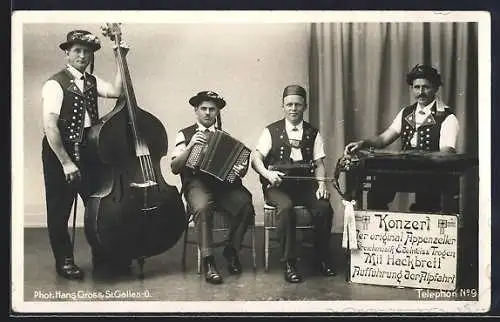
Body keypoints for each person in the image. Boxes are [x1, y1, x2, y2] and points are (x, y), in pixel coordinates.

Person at [42, 28, 128, 280]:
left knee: (97, 204)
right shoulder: (55, 84)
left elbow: (116, 91)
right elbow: (50, 127)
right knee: (60, 210)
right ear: (67, 53)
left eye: (87, 52)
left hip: (90, 150)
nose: (82, 55)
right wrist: (66, 163)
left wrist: (120, 57)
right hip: (61, 152)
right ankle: (64, 261)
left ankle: (103, 256)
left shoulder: (91, 81)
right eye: (77, 50)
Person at [344, 64, 460, 212]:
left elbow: (447, 154)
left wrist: (421, 158)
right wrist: (363, 143)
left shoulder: (447, 117)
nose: (421, 92)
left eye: (426, 87)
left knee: (424, 208)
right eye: (416, 87)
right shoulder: (406, 113)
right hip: (404, 170)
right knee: (376, 194)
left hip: (431, 173)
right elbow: (383, 140)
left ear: (436, 88)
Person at [251, 85, 336, 283]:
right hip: (278, 186)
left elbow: (319, 164)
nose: (293, 108)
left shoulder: (313, 133)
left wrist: (322, 185)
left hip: (305, 185)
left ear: (304, 106)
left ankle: (321, 258)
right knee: (286, 208)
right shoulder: (270, 131)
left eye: (298, 104)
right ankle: (289, 263)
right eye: (289, 104)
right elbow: (256, 159)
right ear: (283, 106)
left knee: (324, 208)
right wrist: (267, 174)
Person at [170, 91, 256, 285]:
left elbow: (236, 171)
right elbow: (175, 168)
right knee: (201, 207)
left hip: (221, 186)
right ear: (196, 110)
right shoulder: (185, 134)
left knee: (245, 205)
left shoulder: (224, 137)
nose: (208, 113)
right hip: (196, 183)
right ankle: (209, 261)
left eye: (212, 109)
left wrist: (239, 169)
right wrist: (191, 145)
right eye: (204, 109)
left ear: (217, 112)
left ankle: (231, 251)